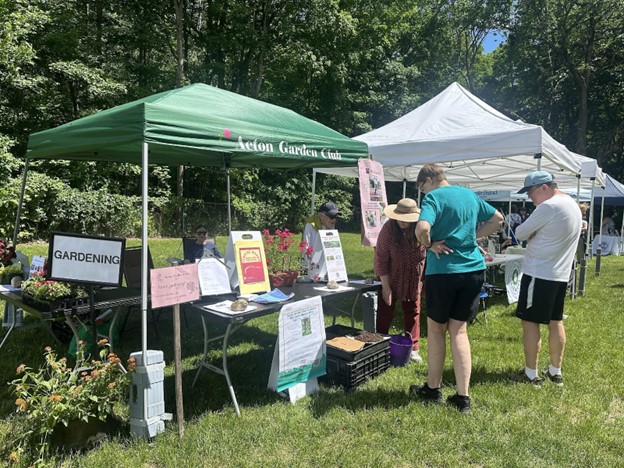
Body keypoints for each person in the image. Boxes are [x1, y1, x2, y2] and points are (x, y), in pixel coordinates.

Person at [410, 164, 503, 413]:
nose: (422, 192)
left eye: (421, 187)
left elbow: (422, 229)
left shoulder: (433, 197)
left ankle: (433, 389)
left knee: (437, 331)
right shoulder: (469, 194)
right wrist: (475, 238)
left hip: (443, 272)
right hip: (473, 270)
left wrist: (429, 245)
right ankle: (463, 398)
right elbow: (498, 219)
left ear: (428, 181)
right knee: (459, 332)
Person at [513, 171, 582, 387]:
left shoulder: (549, 206)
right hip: (560, 274)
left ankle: (531, 374)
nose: (529, 197)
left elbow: (520, 233)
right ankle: (555, 371)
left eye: (531, 192)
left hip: (539, 272)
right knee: (555, 321)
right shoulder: (572, 204)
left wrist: (534, 232)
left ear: (544, 187)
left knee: (530, 322)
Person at [374, 198, 427, 363]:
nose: (402, 222)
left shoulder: (421, 228)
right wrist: (385, 287)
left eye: (406, 220)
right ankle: (379, 344)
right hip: (390, 276)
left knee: (412, 311)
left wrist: (424, 281)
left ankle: (413, 347)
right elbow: (381, 259)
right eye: (400, 218)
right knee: (385, 309)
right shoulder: (388, 230)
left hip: (413, 277)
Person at [302, 201, 341, 281]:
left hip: (324, 267)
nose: (334, 220)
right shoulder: (310, 224)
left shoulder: (330, 225)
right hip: (310, 269)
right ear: (321, 215)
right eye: (331, 216)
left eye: (335, 217)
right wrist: (308, 271)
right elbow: (305, 248)